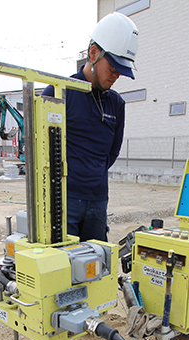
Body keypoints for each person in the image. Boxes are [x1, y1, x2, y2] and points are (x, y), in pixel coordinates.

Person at [42, 12, 139, 242]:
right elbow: (40, 148)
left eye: (121, 71)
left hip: (98, 200)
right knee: (62, 266)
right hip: (63, 200)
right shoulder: (59, 93)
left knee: (97, 266)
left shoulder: (116, 104)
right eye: (113, 67)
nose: (116, 75)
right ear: (93, 53)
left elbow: (112, 151)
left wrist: (93, 171)